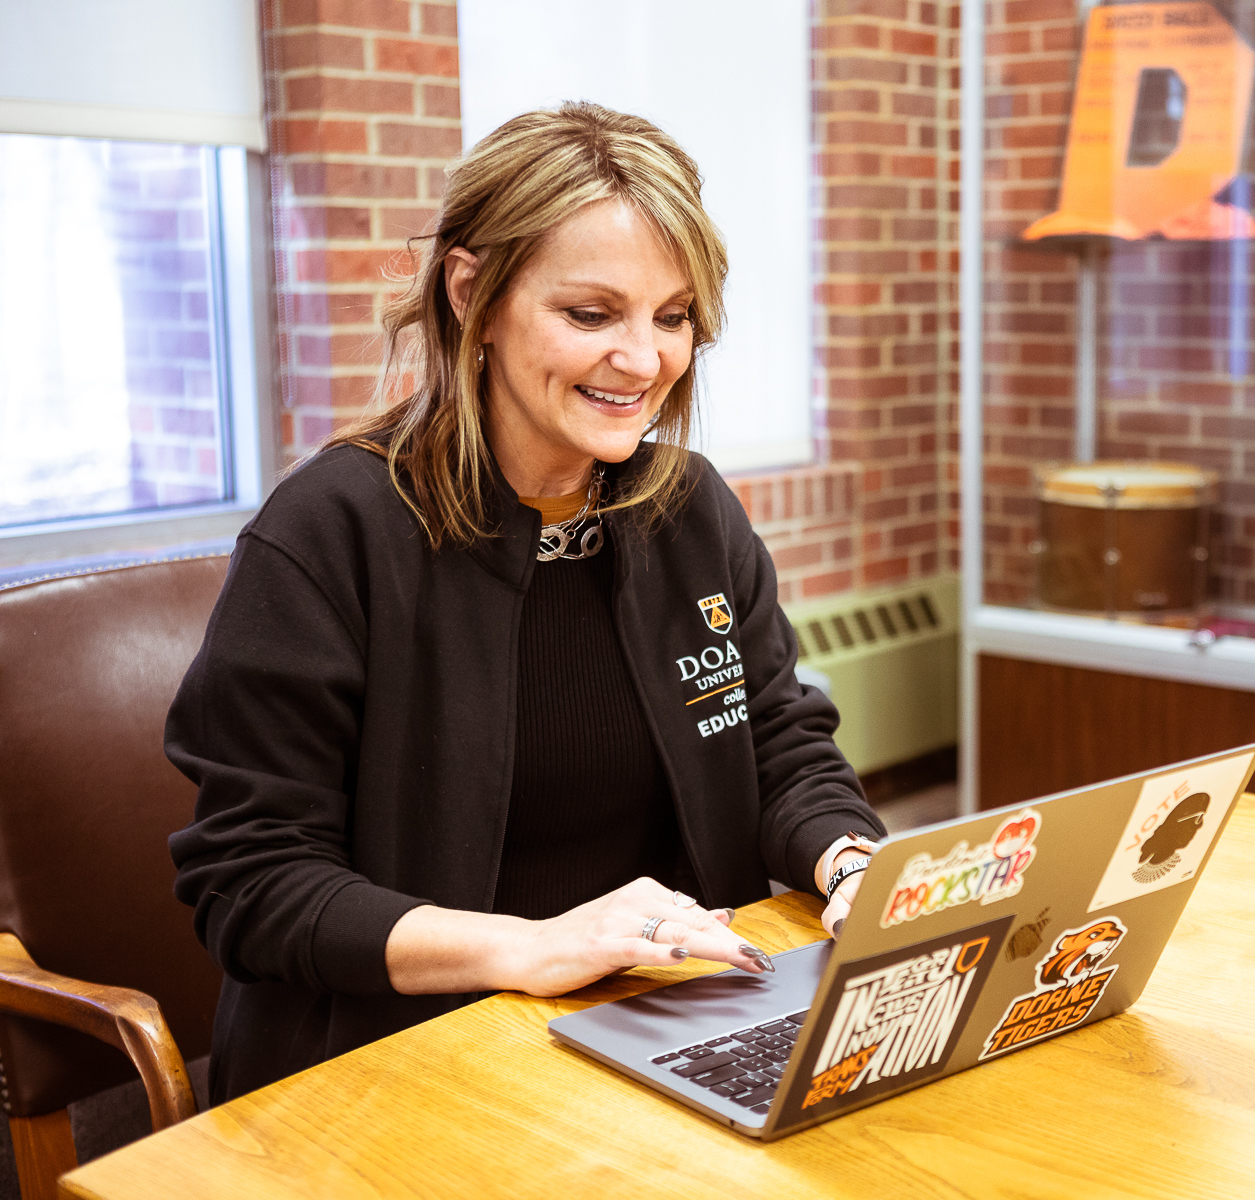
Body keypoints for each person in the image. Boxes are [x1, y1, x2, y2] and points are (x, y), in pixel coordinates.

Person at [167, 102, 886, 1105]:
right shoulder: (329, 532)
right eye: (591, 315)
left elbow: (779, 743)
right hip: (397, 1061)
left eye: (672, 318)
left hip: (659, 1019)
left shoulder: (689, 510)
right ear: (474, 293)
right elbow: (252, 884)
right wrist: (534, 949)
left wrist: (854, 865)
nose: (644, 362)